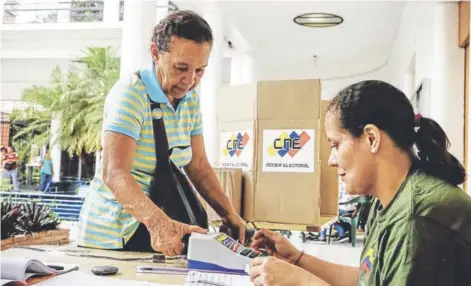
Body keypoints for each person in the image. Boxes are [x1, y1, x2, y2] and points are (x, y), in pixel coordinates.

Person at [249, 80, 471, 286]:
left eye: (336, 145)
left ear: (371, 138)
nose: (331, 160)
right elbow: (368, 279)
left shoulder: (417, 218)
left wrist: (300, 282)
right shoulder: (385, 202)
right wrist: (298, 260)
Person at [77, 10, 246, 256]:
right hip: (115, 235)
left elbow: (198, 165)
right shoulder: (130, 94)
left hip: (163, 225)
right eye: (181, 67)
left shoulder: (189, 100)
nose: (189, 80)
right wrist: (158, 224)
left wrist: (229, 214)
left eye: (200, 70)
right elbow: (114, 173)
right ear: (155, 53)